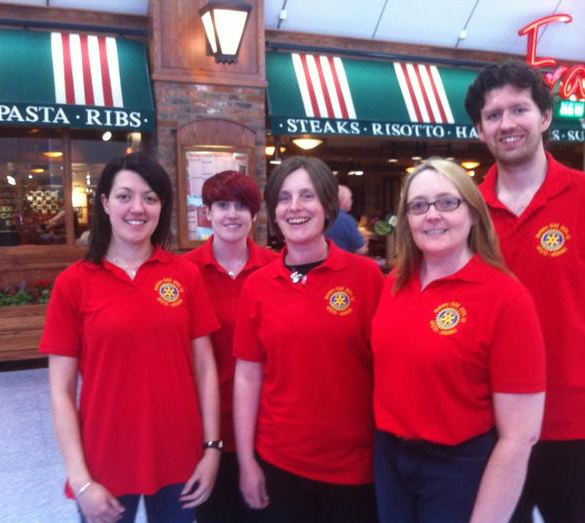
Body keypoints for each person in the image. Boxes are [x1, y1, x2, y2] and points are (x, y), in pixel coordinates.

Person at [465, 60, 585, 523]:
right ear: (480, 130)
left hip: (579, 426)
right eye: (493, 115)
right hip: (491, 425)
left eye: (519, 109)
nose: (507, 123)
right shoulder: (467, 211)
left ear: (545, 117)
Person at [39, 153, 221, 523]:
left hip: (179, 456)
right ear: (105, 203)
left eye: (150, 198)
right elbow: (61, 392)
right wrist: (81, 481)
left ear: (161, 206)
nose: (137, 208)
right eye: (125, 196)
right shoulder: (73, 283)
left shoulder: (185, 275)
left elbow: (205, 369)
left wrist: (212, 449)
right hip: (105, 462)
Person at [371, 158, 546, 523]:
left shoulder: (506, 298)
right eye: (418, 206)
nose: (432, 215)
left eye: (447, 202)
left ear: (473, 213)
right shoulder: (394, 285)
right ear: (406, 220)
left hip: (458, 467)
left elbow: (519, 437)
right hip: (390, 458)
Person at [233, 156, 383, 523]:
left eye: (307, 196)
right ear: (273, 211)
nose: (294, 207)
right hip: (279, 462)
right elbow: (247, 377)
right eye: (284, 198)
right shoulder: (257, 286)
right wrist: (246, 461)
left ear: (328, 206)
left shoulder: (366, 277)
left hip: (354, 468)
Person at [184, 170, 278, 523]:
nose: (232, 214)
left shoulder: (276, 268)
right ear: (207, 213)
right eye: (222, 205)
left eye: (242, 206)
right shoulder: (186, 272)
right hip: (209, 429)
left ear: (254, 214)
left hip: (267, 427)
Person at [325, 184, 367, 254]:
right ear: (344, 201)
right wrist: (365, 239)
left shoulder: (321, 216)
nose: (352, 201)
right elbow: (361, 250)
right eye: (350, 198)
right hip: (340, 259)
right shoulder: (347, 220)